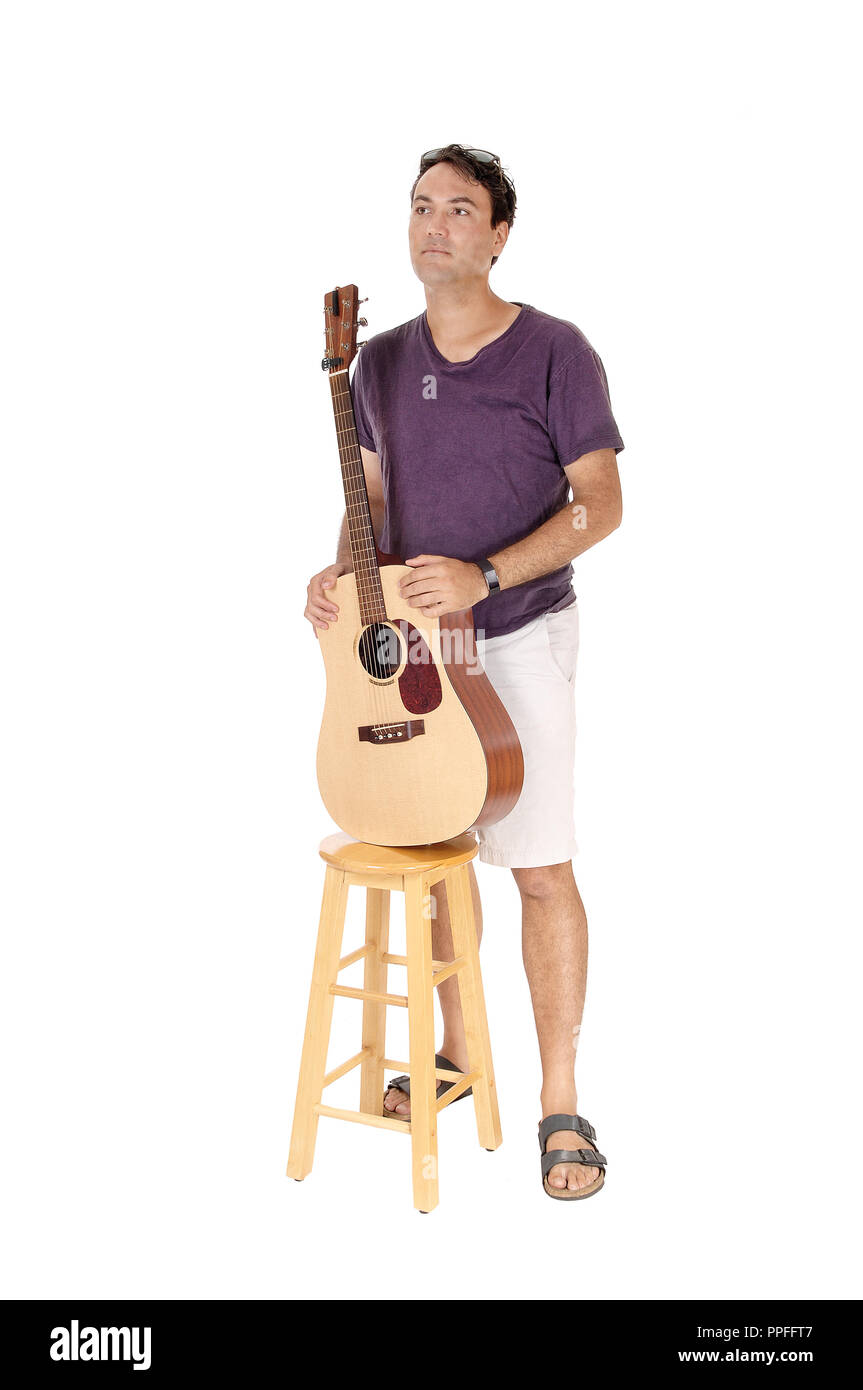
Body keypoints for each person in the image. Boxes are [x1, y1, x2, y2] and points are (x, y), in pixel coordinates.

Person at [304, 145, 624, 1200]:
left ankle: (560, 1098)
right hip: (417, 654)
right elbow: (379, 511)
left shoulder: (553, 352)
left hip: (518, 633)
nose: (434, 224)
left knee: (535, 864)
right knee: (435, 852)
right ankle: (455, 1053)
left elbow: (600, 503)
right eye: (419, 207)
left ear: (497, 235)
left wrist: (484, 573)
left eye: (459, 209)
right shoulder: (379, 362)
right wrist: (341, 575)